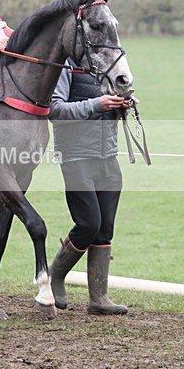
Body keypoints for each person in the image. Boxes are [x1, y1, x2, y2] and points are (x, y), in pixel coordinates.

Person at [49, 58, 136, 315]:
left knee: (105, 229)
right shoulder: (65, 66)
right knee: (88, 224)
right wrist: (97, 104)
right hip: (75, 157)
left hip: (107, 156)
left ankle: (99, 299)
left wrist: (122, 105)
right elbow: (54, 109)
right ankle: (54, 275)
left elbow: (105, 106)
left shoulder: (105, 65)